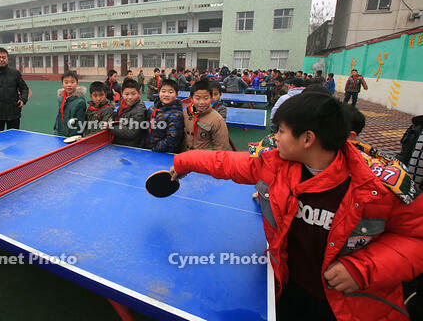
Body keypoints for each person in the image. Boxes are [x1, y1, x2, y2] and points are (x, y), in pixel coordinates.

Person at [170, 92, 423, 320]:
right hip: (288, 288)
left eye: (281, 131)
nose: (274, 137)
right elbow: (226, 162)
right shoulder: (274, 163)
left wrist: (362, 268)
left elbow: (416, 239)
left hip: (353, 305)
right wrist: (183, 162)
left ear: (307, 139)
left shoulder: (383, 184)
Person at [183, 80, 229, 151]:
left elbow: (221, 146)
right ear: (191, 98)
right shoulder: (186, 112)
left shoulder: (217, 120)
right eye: (198, 98)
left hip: (205, 160)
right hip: (185, 156)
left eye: (206, 98)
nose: (201, 102)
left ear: (211, 98)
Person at [146, 79, 184, 153]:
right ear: (159, 93)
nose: (166, 94)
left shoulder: (176, 115)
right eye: (163, 91)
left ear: (176, 95)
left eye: (170, 92)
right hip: (148, 150)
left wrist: (155, 149)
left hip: (164, 154)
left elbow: (172, 139)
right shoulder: (152, 109)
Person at [109, 79, 146, 147]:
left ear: (139, 93)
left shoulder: (139, 110)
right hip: (119, 142)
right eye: (126, 94)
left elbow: (131, 132)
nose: (130, 97)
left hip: (131, 146)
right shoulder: (122, 103)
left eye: (133, 94)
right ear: (122, 93)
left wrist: (111, 127)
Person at [54, 71, 86, 137]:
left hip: (72, 137)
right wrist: (56, 129)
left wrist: (76, 136)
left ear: (77, 83)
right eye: (66, 82)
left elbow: (80, 122)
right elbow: (59, 115)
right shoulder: (61, 99)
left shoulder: (80, 102)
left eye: (72, 82)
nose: (69, 85)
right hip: (59, 134)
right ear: (62, 84)